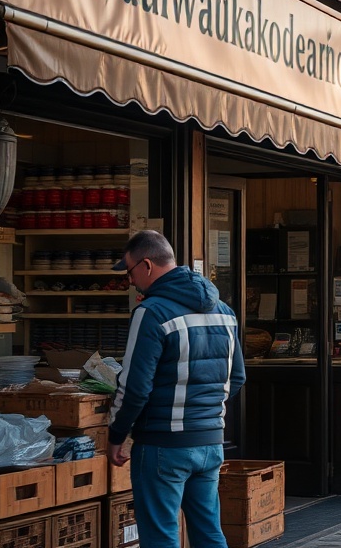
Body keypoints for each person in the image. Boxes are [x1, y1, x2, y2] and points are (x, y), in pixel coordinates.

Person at [107, 230, 245, 548]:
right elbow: (236, 377)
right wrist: (205, 411)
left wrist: (117, 436)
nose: (129, 281)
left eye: (129, 272)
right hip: (211, 442)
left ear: (146, 265)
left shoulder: (151, 312)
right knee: (210, 533)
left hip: (161, 444)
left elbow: (134, 388)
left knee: (160, 537)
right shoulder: (224, 312)